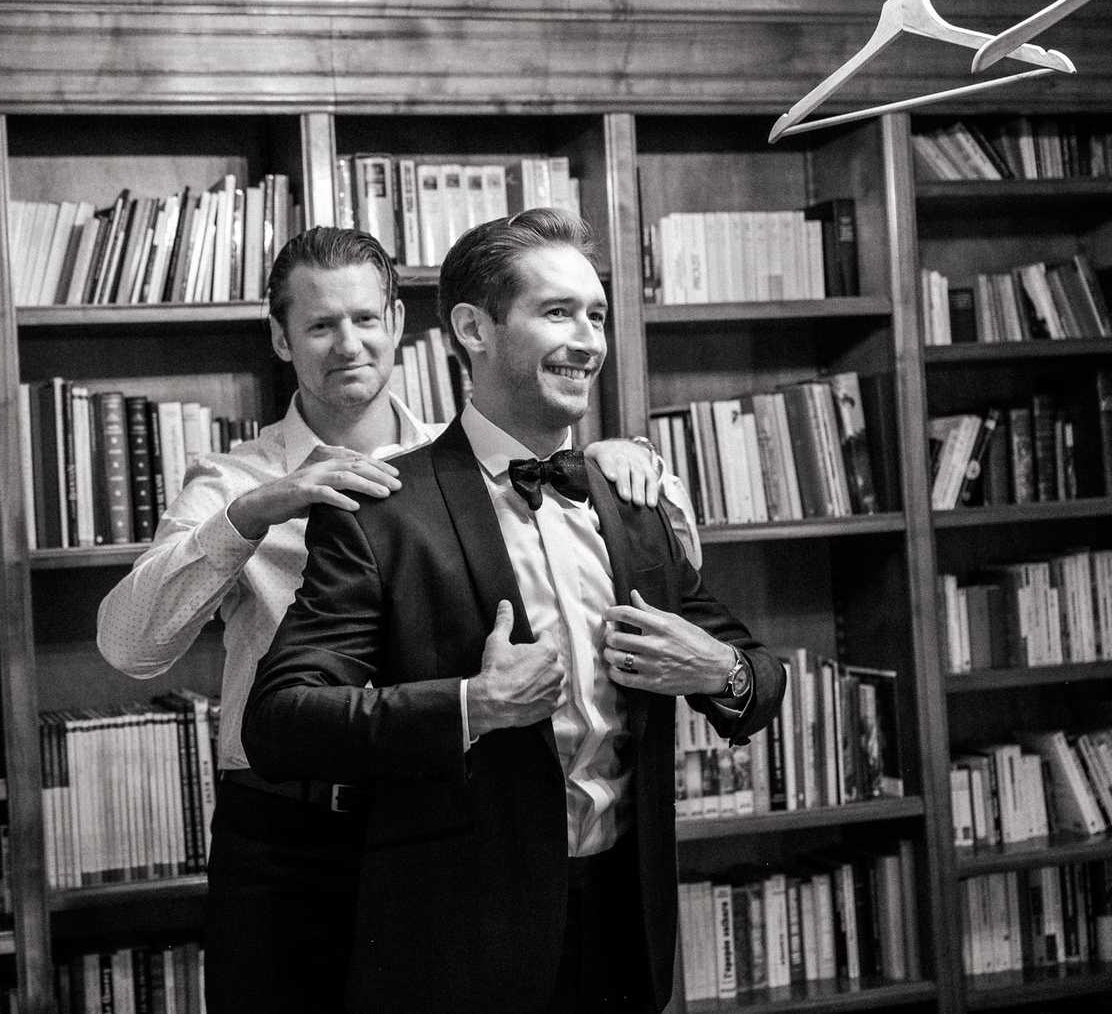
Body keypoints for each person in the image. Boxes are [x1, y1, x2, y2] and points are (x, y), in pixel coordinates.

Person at [96, 225, 698, 1014]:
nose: (348, 344)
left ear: (400, 325)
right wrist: (249, 516)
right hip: (287, 838)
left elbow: (621, 593)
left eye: (366, 319)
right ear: (281, 339)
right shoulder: (233, 479)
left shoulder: (478, 464)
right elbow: (130, 646)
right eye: (319, 325)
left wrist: (626, 468)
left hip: (442, 833)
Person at [242, 209, 785, 1014]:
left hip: (625, 929)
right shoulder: (380, 512)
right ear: (474, 327)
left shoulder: (631, 500)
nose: (589, 340)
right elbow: (280, 722)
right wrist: (473, 705)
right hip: (458, 942)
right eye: (557, 312)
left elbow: (758, 677)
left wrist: (719, 670)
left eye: (596, 314)